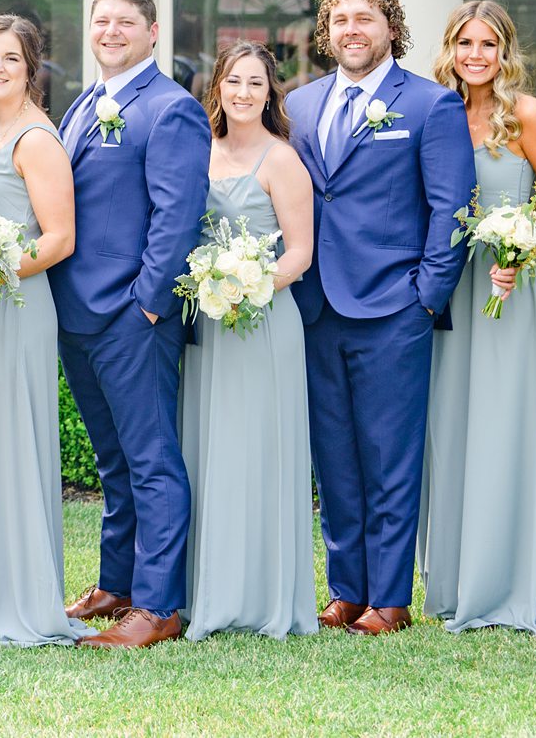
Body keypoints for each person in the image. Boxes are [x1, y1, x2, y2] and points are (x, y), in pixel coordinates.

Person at [285, 0, 472, 636]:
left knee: (390, 455)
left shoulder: (428, 104)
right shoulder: (300, 105)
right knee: (333, 455)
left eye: (365, 18)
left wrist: (425, 297)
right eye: (340, 20)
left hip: (395, 307)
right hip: (316, 306)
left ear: (390, 26)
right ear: (325, 33)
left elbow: (452, 211)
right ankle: (346, 588)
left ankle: (389, 598)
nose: (352, 30)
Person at [423, 1, 536, 636]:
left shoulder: (525, 115)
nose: (476, 55)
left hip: (509, 292)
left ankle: (514, 582)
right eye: (465, 43)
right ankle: (457, 584)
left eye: (488, 44)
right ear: (449, 49)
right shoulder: (436, 113)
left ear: (506, 52)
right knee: (454, 427)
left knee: (505, 425)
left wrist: (521, 253)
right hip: (452, 291)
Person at [45, 0, 208, 649]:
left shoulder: (170, 108)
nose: (111, 31)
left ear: (153, 30)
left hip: (131, 316)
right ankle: (117, 584)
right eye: (101, 20)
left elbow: (176, 216)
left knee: (151, 460)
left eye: (126, 22)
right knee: (114, 462)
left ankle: (159, 604)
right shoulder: (86, 101)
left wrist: (146, 302)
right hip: (76, 311)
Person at [0, 15, 84, 647]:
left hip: (16, 304)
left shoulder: (36, 139)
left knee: (11, 444)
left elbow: (59, 238)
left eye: (11, 59)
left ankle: (19, 601)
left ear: (31, 68)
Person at [179, 42, 316, 640]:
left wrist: (251, 286)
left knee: (257, 451)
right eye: (233, 81)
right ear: (218, 87)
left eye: (255, 83)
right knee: (208, 451)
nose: (242, 92)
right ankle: (206, 589)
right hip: (208, 323)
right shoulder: (198, 152)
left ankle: (261, 596)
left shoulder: (281, 159)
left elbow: (301, 253)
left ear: (270, 93)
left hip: (262, 322)